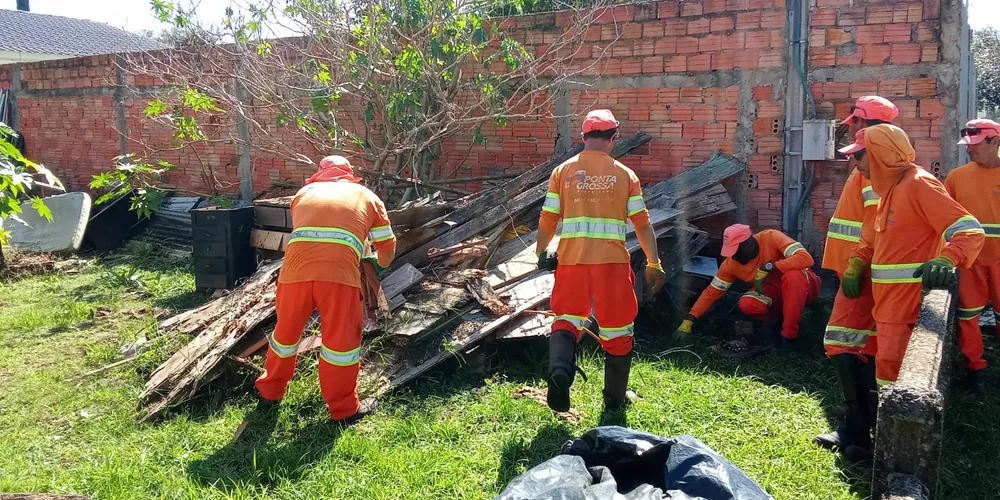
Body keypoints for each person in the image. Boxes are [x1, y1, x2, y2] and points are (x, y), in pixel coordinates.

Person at [536, 109, 665, 413]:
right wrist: (653, 261)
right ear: (613, 139)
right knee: (619, 330)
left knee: (566, 318)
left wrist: (541, 252)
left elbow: (548, 218)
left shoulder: (562, 172)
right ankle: (614, 400)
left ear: (583, 138)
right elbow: (642, 224)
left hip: (571, 262)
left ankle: (559, 373)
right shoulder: (625, 175)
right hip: (612, 265)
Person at [255, 155, 396, 424]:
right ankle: (343, 410)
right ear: (350, 174)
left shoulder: (303, 194)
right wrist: (379, 266)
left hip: (294, 275)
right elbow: (386, 246)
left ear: (319, 173)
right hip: (338, 278)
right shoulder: (366, 196)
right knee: (340, 345)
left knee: (285, 336)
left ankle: (270, 391)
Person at [849, 124, 984, 390]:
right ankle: (884, 422)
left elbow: (970, 230)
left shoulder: (918, 183)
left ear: (880, 154)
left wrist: (947, 259)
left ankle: (892, 428)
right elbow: (881, 241)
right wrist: (857, 262)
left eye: (859, 156)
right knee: (886, 367)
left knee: (895, 374)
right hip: (889, 305)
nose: (855, 165)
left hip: (906, 305)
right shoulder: (891, 190)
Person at [814, 95, 899, 457]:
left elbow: (877, 223)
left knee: (841, 343)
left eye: (855, 121)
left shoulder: (877, 163)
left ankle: (859, 429)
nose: (849, 126)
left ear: (866, 123)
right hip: (857, 271)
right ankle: (859, 430)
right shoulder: (873, 159)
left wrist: (857, 265)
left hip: (861, 274)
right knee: (861, 348)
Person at [675, 225, 820, 354]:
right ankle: (772, 328)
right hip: (772, 291)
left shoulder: (771, 237)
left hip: (804, 286)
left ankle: (789, 337)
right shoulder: (730, 264)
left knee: (793, 276)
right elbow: (712, 292)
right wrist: (689, 320)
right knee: (748, 304)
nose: (735, 256)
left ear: (749, 242)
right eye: (731, 252)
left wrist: (770, 266)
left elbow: (806, 259)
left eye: (737, 250)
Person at [944, 119, 1000, 393]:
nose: (970, 149)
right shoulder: (957, 177)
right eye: (968, 144)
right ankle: (975, 369)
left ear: (995, 141)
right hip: (970, 259)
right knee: (967, 315)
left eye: (977, 144)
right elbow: (943, 217)